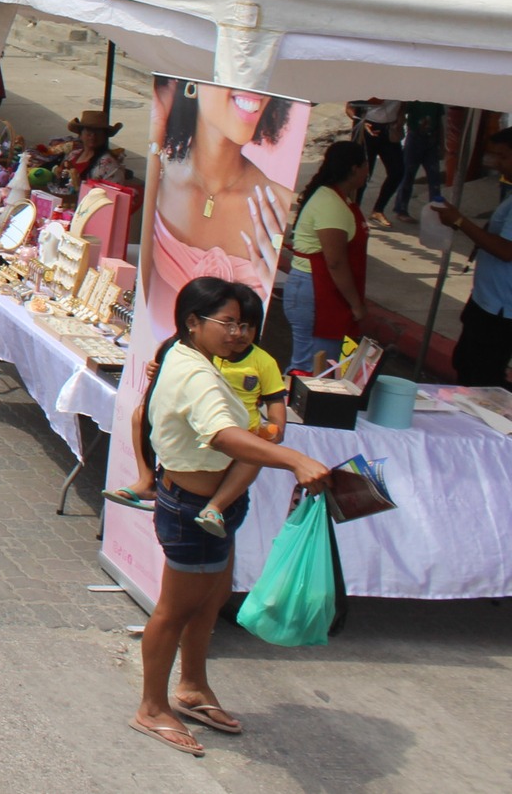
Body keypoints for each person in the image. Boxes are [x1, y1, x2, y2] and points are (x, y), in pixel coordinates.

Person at [130, 277, 330, 758]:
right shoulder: (193, 372)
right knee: (175, 610)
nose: (237, 333)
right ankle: (152, 707)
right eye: (228, 323)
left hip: (219, 508)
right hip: (193, 511)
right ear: (193, 322)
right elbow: (221, 434)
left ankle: (192, 686)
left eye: (244, 325)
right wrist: (295, 460)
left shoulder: (195, 357)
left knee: (210, 600)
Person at [143, 80, 296, 346]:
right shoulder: (160, 179)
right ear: (193, 84)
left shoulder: (277, 205)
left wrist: (266, 297)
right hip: (154, 364)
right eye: (232, 74)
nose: (254, 90)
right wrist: (157, 130)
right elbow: (140, 309)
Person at [107, 320, 287, 528]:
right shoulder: (204, 353)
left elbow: (276, 400)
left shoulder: (263, 361)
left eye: (248, 327)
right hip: (197, 423)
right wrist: (155, 370)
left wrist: (276, 426)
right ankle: (146, 480)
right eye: (232, 325)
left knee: (255, 450)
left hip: (239, 430)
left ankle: (216, 506)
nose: (239, 333)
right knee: (140, 415)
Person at [433, 126, 512, 387]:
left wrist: (459, 221)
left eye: (503, 157)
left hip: (500, 309)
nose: (497, 164)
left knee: (483, 377)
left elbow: (506, 250)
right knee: (466, 363)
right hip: (487, 299)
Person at [282, 141, 370, 375]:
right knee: (312, 370)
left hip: (319, 290)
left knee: (318, 368)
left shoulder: (338, 200)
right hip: (315, 292)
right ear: (354, 168)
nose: (367, 172)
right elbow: (335, 262)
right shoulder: (331, 204)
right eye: (365, 166)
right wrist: (356, 304)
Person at [390, 100, 446, 224]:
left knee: (434, 178)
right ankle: (401, 209)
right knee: (407, 175)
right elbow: (402, 112)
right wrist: (398, 127)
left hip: (431, 140)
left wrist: (442, 145)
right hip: (415, 139)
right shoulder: (414, 100)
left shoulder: (436, 101)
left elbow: (439, 123)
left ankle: (435, 211)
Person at [353, 97, 405, 226]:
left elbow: (404, 104)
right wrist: (361, 122)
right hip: (369, 127)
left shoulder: (402, 88)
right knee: (364, 174)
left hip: (389, 129)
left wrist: (400, 117)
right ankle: (353, 212)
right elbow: (350, 107)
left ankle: (378, 210)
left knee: (397, 171)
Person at [66, 109, 129, 191]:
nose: (93, 135)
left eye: (98, 131)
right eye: (89, 130)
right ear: (80, 135)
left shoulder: (109, 164)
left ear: (104, 136)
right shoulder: (73, 155)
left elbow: (112, 193)